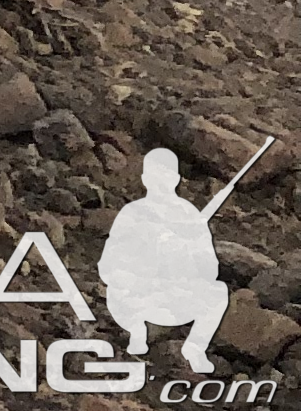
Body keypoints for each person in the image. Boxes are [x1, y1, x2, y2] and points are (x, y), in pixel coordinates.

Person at [98, 147, 231, 374]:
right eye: (155, 177)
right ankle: (136, 331)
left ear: (176, 179)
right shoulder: (132, 213)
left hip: (173, 296)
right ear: (145, 179)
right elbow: (108, 266)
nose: (161, 183)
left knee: (218, 292)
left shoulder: (190, 217)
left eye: (166, 176)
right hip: (137, 295)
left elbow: (210, 270)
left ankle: (195, 348)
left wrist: (189, 250)